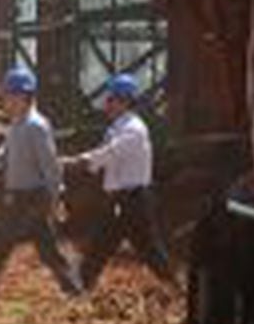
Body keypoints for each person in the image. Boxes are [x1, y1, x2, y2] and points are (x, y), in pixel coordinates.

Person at [0, 67, 82, 296]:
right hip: (18, 196)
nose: (5, 101)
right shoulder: (16, 124)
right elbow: (3, 156)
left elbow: (51, 167)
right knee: (46, 250)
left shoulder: (37, 126)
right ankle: (74, 290)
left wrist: (56, 199)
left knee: (1, 245)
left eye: (9, 96)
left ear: (24, 97)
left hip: (34, 198)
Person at [65, 74, 175, 289]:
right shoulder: (117, 127)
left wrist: (76, 162)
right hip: (121, 199)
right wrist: (81, 164)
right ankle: (82, 284)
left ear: (124, 101)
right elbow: (103, 159)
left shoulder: (133, 129)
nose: (106, 104)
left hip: (133, 200)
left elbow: (108, 154)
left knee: (149, 249)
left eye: (111, 99)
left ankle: (172, 287)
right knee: (101, 244)